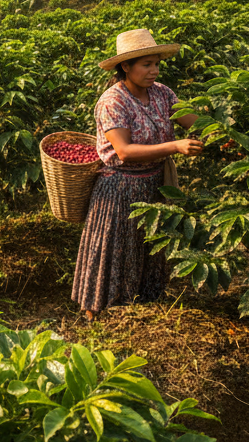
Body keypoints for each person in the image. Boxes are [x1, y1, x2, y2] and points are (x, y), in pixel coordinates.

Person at [71, 29, 203, 321]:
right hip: (120, 188)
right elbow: (124, 151)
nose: (153, 71)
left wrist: (221, 131)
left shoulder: (163, 94)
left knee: (148, 248)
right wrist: (176, 146)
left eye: (156, 64)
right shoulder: (113, 101)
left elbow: (193, 120)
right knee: (113, 249)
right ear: (125, 67)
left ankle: (141, 306)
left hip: (155, 183)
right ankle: (97, 314)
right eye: (146, 65)